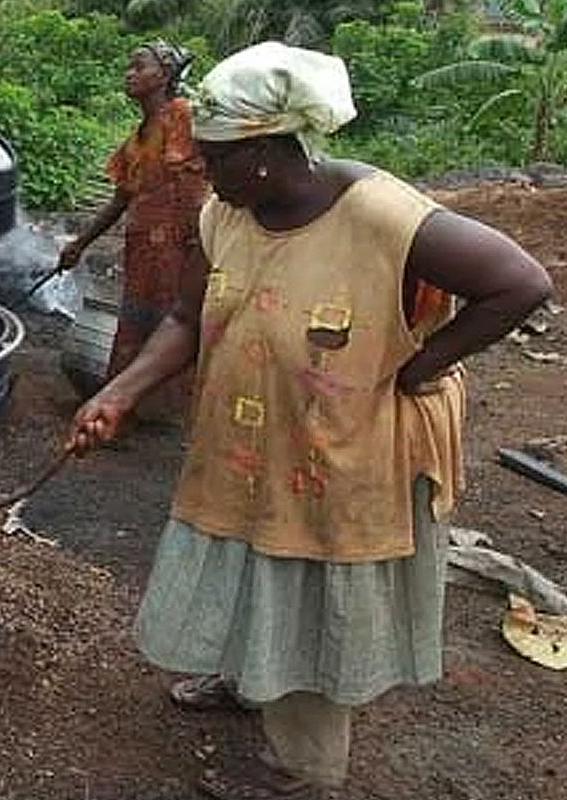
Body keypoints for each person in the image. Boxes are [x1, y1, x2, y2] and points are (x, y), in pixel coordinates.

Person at [66, 41, 553, 800]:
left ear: (265, 151)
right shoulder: (223, 213)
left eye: (216, 157)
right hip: (247, 433)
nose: (203, 170)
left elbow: (521, 284)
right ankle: (250, 677)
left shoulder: (382, 216)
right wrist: (120, 391)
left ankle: (304, 775)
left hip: (339, 449)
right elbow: (187, 319)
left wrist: (418, 367)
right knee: (246, 557)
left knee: (307, 590)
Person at [57, 39, 208, 421]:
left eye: (140, 66)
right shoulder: (138, 139)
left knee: (175, 323)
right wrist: (80, 244)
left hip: (181, 246)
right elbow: (120, 199)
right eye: (130, 67)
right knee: (138, 324)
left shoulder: (182, 117)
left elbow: (206, 184)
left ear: (166, 73)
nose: (130, 73)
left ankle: (171, 413)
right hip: (143, 250)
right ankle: (134, 408)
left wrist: (199, 245)